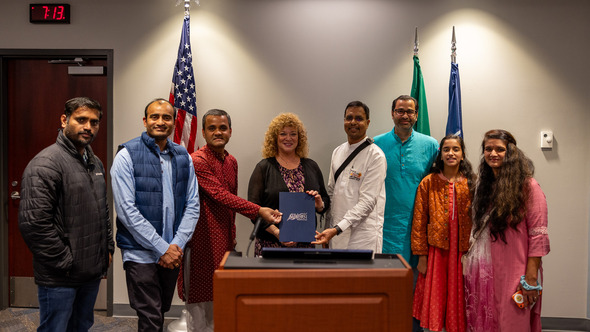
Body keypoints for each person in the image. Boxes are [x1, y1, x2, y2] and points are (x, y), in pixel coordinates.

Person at [177, 109, 282, 332]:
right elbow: (220, 195)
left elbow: (230, 203)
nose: (218, 132)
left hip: (224, 241)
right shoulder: (197, 160)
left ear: (230, 132)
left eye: (222, 128)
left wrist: (233, 236)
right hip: (200, 242)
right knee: (199, 308)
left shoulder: (231, 161)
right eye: (212, 128)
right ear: (203, 132)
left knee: (222, 300)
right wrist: (259, 210)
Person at [18, 97, 114, 331]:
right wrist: (65, 262)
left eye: (94, 122)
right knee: (56, 328)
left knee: (81, 326)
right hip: (60, 276)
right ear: (64, 120)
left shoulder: (95, 163)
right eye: (81, 120)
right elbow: (34, 224)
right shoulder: (45, 164)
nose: (88, 127)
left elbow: (102, 210)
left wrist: (107, 248)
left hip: (90, 272)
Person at [111, 98, 200, 332]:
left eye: (166, 117)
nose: (160, 122)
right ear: (145, 121)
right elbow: (127, 211)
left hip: (172, 251)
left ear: (173, 122)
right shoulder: (126, 155)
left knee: (159, 312)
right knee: (150, 316)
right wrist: (162, 248)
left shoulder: (184, 157)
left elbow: (192, 205)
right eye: (154, 117)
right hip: (141, 252)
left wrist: (175, 245)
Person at [463, 129, 550, 331]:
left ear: (510, 152)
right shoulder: (484, 187)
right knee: (485, 321)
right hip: (485, 271)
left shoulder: (529, 186)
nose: (493, 153)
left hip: (516, 272)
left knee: (512, 322)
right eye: (488, 149)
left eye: (499, 149)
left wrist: (530, 280)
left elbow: (538, 237)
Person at [411, 135, 475, 332]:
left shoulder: (471, 183)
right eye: (446, 149)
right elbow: (420, 221)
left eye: (456, 149)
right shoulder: (429, 182)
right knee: (436, 294)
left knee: (460, 294)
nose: (451, 153)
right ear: (440, 154)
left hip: (463, 250)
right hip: (437, 250)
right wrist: (422, 255)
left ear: (463, 154)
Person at [248, 112, 330, 256]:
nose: (288, 138)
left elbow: (325, 201)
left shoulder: (311, 166)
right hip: (271, 246)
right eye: (283, 134)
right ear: (275, 137)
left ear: (299, 138)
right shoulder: (264, 167)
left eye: (293, 134)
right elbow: (253, 209)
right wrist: (277, 232)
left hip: (306, 247)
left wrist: (319, 204)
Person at [312, 101, 386, 251]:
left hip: (363, 236)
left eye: (359, 118)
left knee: (360, 275)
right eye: (349, 118)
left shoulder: (376, 156)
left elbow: (367, 202)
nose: (353, 122)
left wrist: (337, 228)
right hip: (335, 234)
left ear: (368, 122)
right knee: (336, 274)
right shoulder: (337, 152)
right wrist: (329, 226)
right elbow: (332, 194)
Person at [374, 95, 438, 264]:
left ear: (416, 115)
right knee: (388, 280)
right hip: (385, 227)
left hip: (419, 227)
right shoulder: (375, 145)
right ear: (392, 114)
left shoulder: (431, 146)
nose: (405, 116)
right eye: (400, 111)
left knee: (416, 284)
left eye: (410, 112)